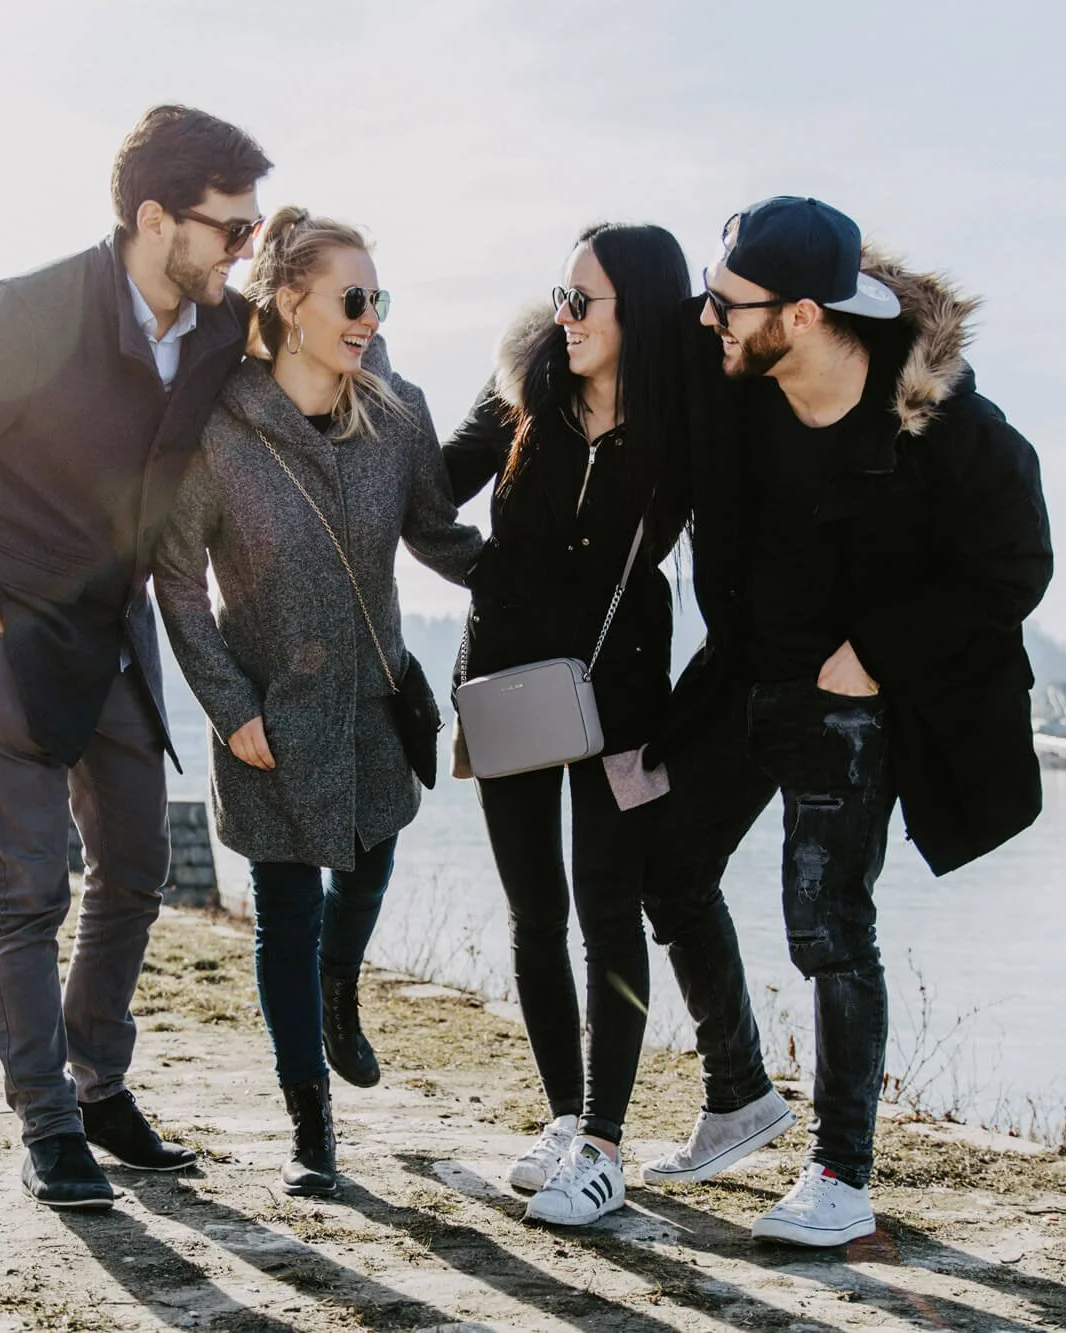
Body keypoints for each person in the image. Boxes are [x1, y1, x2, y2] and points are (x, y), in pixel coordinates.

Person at [636, 197, 1053, 1247]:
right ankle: (739, 1093)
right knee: (666, 864)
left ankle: (840, 1175)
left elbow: (1014, 567)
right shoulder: (736, 380)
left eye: (728, 305)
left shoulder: (948, 430)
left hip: (853, 702)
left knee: (826, 926)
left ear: (805, 315)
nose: (707, 319)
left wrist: (876, 654)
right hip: (744, 679)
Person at [0, 104, 273, 1211]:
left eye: (251, 231)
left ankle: (98, 1085)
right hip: (8, 633)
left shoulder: (215, 328)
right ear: (154, 219)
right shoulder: (26, 313)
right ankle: (47, 1123)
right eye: (229, 229)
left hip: (118, 636)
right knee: (26, 890)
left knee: (137, 867)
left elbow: (311, 346)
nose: (242, 251)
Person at [155, 208, 481, 1198]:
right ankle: (311, 1126)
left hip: (377, 702)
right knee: (283, 915)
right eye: (352, 298)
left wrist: (543, 577)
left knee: (370, 867)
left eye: (379, 300)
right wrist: (227, 705)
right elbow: (178, 581)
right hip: (267, 714)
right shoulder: (219, 428)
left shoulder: (397, 412)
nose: (369, 317)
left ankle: (342, 983)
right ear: (290, 302)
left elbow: (438, 535)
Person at [440, 223, 691, 1226]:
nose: (564, 316)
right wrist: (482, 572)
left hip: (623, 695)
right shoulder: (521, 389)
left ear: (640, 309)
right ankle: (559, 1115)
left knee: (607, 910)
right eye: (559, 296)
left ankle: (602, 1144)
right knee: (535, 912)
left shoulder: (682, 419)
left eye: (583, 301)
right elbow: (423, 492)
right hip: (505, 684)